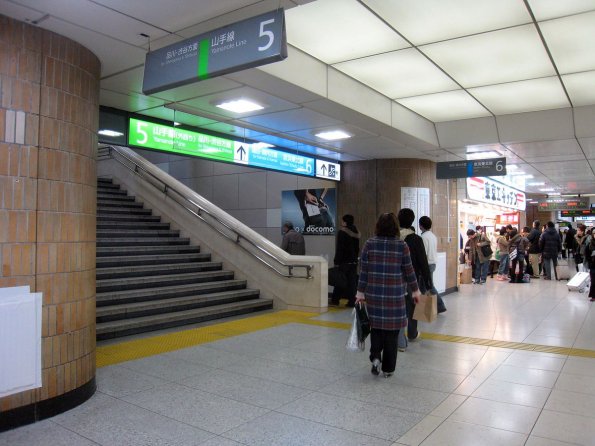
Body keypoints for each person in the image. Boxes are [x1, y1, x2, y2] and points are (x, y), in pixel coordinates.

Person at [355, 213, 421, 378]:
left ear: (378, 226)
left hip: (374, 295)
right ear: (395, 227)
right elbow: (409, 271)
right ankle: (388, 369)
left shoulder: (369, 244)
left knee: (376, 328)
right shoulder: (401, 245)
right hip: (395, 296)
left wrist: (360, 293)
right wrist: (415, 290)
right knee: (392, 333)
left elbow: (363, 272)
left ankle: (375, 356)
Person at [398, 209, 432, 347]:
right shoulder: (416, 239)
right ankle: (412, 334)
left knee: (399, 308)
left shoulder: (393, 237)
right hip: (412, 279)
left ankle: (399, 339)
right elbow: (423, 262)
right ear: (412, 221)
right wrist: (428, 283)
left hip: (395, 280)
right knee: (412, 307)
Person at [331, 214, 360, 307]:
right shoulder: (356, 231)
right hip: (353, 261)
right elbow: (357, 248)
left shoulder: (342, 232)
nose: (341, 222)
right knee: (352, 283)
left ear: (345, 222)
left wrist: (336, 261)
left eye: (342, 221)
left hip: (344, 261)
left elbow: (340, 248)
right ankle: (352, 301)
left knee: (339, 280)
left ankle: (335, 300)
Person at [419, 216, 446, 313]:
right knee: (426, 286)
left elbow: (423, 254)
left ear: (420, 226)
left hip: (426, 265)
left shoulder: (423, 237)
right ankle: (423, 309)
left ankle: (439, 306)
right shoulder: (432, 236)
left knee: (427, 286)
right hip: (432, 264)